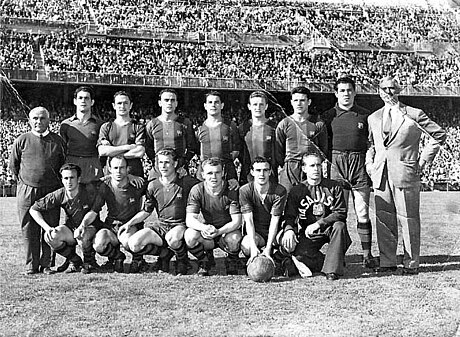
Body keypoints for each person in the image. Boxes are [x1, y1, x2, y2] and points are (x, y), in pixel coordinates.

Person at [366, 76, 446, 275]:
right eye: (384, 89)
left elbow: (439, 135)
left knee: (409, 219)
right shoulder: (373, 117)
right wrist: (369, 164)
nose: (388, 92)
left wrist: (423, 161)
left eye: (392, 88)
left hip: (406, 173)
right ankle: (387, 262)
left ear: (399, 90)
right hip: (380, 175)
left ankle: (411, 263)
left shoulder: (414, 114)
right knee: (384, 219)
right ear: (378, 91)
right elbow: (370, 145)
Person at [320, 76, 376, 268]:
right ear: (336, 93)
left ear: (355, 92)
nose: (346, 94)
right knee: (339, 214)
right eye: (342, 90)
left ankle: (367, 255)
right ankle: (338, 256)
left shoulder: (365, 115)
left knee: (362, 212)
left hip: (359, 164)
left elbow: (371, 142)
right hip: (337, 164)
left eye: (349, 90)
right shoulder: (328, 116)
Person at [117, 148, 199, 274]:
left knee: (173, 238)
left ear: (175, 164)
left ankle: (182, 259)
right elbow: (146, 211)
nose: (163, 166)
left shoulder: (186, 181)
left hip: (179, 225)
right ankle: (165, 254)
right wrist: (129, 223)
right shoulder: (153, 185)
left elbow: (206, 187)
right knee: (134, 244)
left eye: (167, 162)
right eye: (160, 162)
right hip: (161, 226)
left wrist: (230, 184)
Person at [9, 107, 66, 275]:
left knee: (50, 228)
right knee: (28, 228)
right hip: (28, 190)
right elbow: (14, 165)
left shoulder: (57, 140)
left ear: (49, 120)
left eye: (42, 118)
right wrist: (25, 183)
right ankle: (31, 265)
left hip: (51, 191)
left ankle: (47, 264)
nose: (38, 121)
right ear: (29, 120)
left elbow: (63, 164)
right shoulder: (22, 140)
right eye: (35, 118)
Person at [280, 151, 350, 280]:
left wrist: (318, 223)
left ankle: (332, 271)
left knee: (340, 226)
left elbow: (341, 212)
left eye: (318, 165)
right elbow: (289, 216)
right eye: (312, 166)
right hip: (309, 233)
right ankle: (332, 259)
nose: (316, 169)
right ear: (304, 168)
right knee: (299, 256)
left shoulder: (334, 186)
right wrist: (289, 230)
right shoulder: (297, 190)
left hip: (331, 229)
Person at [29, 164, 102, 274]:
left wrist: (83, 225)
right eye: (66, 178)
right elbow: (33, 209)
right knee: (50, 236)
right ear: (62, 180)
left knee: (83, 234)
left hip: (91, 228)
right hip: (71, 229)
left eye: (72, 177)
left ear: (79, 179)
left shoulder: (88, 190)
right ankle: (75, 261)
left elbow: (94, 212)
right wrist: (47, 228)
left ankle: (89, 262)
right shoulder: (60, 194)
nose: (69, 181)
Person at [84, 156, 146, 273]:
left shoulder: (137, 184)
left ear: (127, 169)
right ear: (109, 169)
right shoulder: (104, 185)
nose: (118, 171)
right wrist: (83, 225)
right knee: (98, 245)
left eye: (122, 168)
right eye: (115, 168)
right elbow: (94, 210)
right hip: (111, 226)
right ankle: (117, 257)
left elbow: (156, 185)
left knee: (128, 242)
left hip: (130, 226)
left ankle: (138, 259)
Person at [184, 157, 242, 276]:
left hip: (226, 231)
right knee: (190, 235)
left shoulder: (231, 190)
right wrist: (203, 228)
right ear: (203, 174)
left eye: (217, 172)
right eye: (210, 173)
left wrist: (219, 231)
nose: (214, 177)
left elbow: (237, 221)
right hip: (208, 231)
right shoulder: (197, 190)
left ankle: (231, 260)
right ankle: (204, 260)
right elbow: (190, 219)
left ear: (223, 173)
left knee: (234, 238)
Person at [275, 86, 328, 193]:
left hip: (310, 168)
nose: (299, 103)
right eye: (296, 100)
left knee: (310, 202)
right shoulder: (284, 123)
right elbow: (278, 150)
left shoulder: (318, 124)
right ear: (291, 102)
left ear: (309, 102)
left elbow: (323, 149)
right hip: (291, 168)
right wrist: (287, 166)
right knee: (288, 203)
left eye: (302, 100)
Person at [239, 157, 287, 263]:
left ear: (270, 172)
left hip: (276, 231)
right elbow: (249, 221)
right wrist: (253, 245)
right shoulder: (245, 190)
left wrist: (269, 247)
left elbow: (275, 221)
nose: (262, 174)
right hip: (257, 233)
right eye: (258, 170)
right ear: (252, 172)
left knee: (289, 242)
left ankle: (277, 258)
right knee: (247, 246)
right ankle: (256, 257)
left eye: (265, 170)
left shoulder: (279, 191)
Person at [145, 89, 197, 180]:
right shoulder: (152, 124)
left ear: (176, 103)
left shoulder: (185, 123)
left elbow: (192, 147)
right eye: (166, 100)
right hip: (159, 169)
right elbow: (148, 147)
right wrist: (156, 162)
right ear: (160, 103)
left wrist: (183, 163)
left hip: (180, 169)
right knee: (152, 190)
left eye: (172, 100)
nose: (169, 103)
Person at [196, 91, 240, 190]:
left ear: (222, 105)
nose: (213, 105)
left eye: (216, 102)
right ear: (205, 106)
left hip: (226, 174)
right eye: (210, 102)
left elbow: (237, 149)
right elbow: (196, 149)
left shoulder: (230, 126)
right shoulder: (199, 129)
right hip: (204, 174)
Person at [60, 86, 104, 185]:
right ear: (75, 101)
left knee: (94, 198)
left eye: (86, 98)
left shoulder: (100, 124)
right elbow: (62, 149)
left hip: (92, 167)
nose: (83, 101)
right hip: (72, 165)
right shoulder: (66, 124)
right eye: (80, 98)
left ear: (92, 102)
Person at [98, 91, 146, 178]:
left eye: (125, 103)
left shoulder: (138, 127)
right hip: (111, 175)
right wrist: (127, 147)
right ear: (114, 106)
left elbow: (139, 152)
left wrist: (114, 153)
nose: (122, 106)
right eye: (119, 103)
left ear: (130, 105)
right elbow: (102, 151)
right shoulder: (106, 127)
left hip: (134, 175)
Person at [238, 91, 278, 185]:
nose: (258, 107)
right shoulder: (242, 128)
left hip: (269, 176)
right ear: (249, 106)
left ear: (266, 106)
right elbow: (238, 152)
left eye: (261, 104)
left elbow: (279, 152)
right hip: (248, 177)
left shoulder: (274, 127)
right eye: (255, 104)